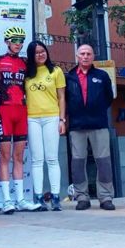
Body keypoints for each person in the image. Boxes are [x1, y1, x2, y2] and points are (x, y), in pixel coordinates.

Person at [0, 26, 40, 214]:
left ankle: (20, 199)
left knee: (19, 156)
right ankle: (7, 200)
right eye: (14, 40)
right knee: (5, 156)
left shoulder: (25, 63)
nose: (18, 44)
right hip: (4, 111)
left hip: (21, 111)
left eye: (21, 41)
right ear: (7, 41)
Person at [65, 44, 115, 211]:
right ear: (77, 56)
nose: (85, 56)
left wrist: (95, 109)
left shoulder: (102, 75)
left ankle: (105, 197)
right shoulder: (69, 77)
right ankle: (82, 197)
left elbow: (109, 97)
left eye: (88, 54)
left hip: (98, 124)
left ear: (93, 56)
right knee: (78, 163)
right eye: (82, 54)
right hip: (77, 126)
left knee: (104, 162)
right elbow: (65, 100)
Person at [25, 40, 66, 211]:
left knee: (52, 158)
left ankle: (55, 197)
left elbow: (61, 97)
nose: (40, 54)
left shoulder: (56, 71)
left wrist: (62, 120)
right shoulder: (26, 73)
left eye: (43, 51)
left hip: (51, 117)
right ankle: (39, 197)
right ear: (31, 55)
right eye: (36, 52)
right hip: (32, 118)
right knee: (37, 160)